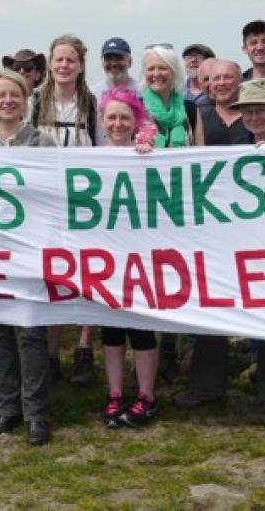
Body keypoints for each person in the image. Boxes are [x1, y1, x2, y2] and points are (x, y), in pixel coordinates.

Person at [173, 80, 265, 425]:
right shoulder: (232, 146)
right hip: (234, 245)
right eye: (248, 111)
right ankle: (206, 386)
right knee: (213, 308)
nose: (255, 116)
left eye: (261, 109)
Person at [0, 69, 55, 445]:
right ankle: (8, 408)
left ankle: (37, 413)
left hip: (30, 250)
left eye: (15, 95)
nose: (7, 101)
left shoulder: (43, 143)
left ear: (25, 101)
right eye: (0, 95)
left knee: (31, 333)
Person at [30, 34, 99, 384]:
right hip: (45, 199)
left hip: (83, 199)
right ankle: (51, 352)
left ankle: (85, 347)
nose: (64, 65)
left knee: (89, 272)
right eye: (59, 59)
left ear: (81, 64)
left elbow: (103, 147)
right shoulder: (35, 103)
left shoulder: (91, 103)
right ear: (50, 62)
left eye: (71, 59)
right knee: (52, 274)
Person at [95, 88, 162, 428]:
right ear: (102, 121)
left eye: (125, 117)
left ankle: (147, 396)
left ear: (135, 120)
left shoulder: (148, 155)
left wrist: (150, 154)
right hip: (106, 257)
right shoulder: (89, 159)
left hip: (142, 255)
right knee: (112, 331)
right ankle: (115, 393)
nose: (118, 123)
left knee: (142, 327)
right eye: (112, 117)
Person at [140, 45, 204, 382]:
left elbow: (202, 157)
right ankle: (149, 350)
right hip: (145, 207)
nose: (157, 75)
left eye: (163, 69)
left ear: (174, 73)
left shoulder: (191, 110)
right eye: (151, 69)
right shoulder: (137, 109)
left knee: (177, 276)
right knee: (150, 278)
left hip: (181, 207)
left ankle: (173, 346)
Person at [200, 61, 247, 146]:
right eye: (216, 78)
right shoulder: (199, 121)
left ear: (241, 81)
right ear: (210, 86)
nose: (222, 83)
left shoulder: (255, 118)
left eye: (228, 77)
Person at [89, 37, 139, 113]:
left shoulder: (142, 92)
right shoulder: (92, 95)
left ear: (130, 62)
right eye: (108, 59)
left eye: (119, 58)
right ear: (102, 63)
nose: (114, 64)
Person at [182, 43, 216, 108]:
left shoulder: (217, 89)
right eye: (189, 57)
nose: (193, 60)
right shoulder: (176, 90)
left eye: (198, 57)